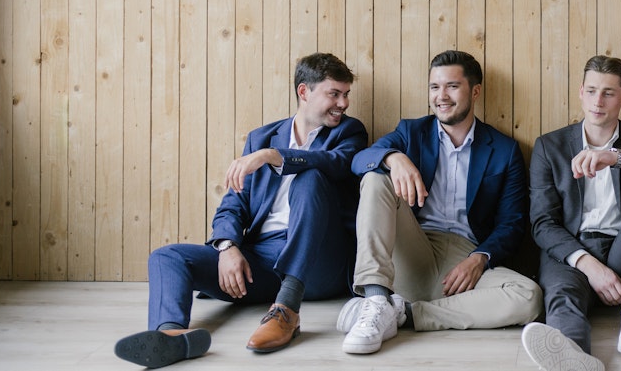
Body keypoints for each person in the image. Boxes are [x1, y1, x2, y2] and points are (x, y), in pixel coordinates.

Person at [113, 52, 368, 368]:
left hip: (318, 260)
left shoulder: (349, 132)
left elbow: (337, 163)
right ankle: (171, 336)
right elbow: (233, 204)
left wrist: (274, 156)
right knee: (167, 257)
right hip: (262, 260)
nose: (344, 103)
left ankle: (287, 309)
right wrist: (227, 247)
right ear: (304, 92)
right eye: (335, 94)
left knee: (310, 178)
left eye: (346, 94)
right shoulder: (260, 138)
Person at [338, 50, 542, 355]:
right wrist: (393, 158)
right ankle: (377, 298)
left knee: (529, 296)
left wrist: (479, 259)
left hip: (463, 257)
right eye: (434, 87)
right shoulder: (411, 132)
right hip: (413, 248)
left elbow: (511, 223)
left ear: (475, 91)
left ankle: (404, 314)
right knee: (376, 178)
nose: (441, 96)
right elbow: (360, 160)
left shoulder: (504, 149)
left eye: (452, 86)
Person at [519, 56, 621, 370]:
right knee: (562, 299)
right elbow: (542, 223)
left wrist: (616, 158)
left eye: (608, 93)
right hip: (572, 253)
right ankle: (574, 359)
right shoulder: (549, 146)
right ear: (581, 92)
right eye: (592, 91)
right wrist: (589, 266)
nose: (598, 101)